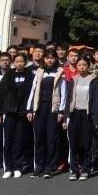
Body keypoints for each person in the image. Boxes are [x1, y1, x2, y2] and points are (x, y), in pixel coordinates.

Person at [0, 53, 34, 179]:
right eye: (17, 61)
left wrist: (30, 110)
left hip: (23, 113)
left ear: (25, 63)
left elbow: (32, 95)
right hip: (9, 112)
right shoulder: (8, 76)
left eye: (22, 61)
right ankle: (8, 168)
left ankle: (17, 167)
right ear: (13, 63)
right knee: (8, 141)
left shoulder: (31, 76)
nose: (19, 63)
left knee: (19, 140)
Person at [26, 49, 66, 179]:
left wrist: (61, 110)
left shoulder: (60, 72)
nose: (49, 60)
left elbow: (63, 92)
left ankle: (50, 167)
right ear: (44, 59)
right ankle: (39, 167)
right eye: (47, 57)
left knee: (52, 138)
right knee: (39, 138)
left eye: (52, 57)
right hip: (39, 108)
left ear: (55, 59)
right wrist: (30, 109)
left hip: (53, 108)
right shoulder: (39, 72)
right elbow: (33, 90)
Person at [64, 55, 98, 181]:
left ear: (88, 66)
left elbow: (96, 100)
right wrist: (66, 117)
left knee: (87, 143)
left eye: (84, 65)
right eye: (79, 65)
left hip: (87, 114)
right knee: (73, 142)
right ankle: (74, 170)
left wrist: (96, 119)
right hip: (74, 114)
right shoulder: (73, 79)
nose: (81, 67)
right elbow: (68, 98)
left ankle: (85, 169)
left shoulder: (94, 79)